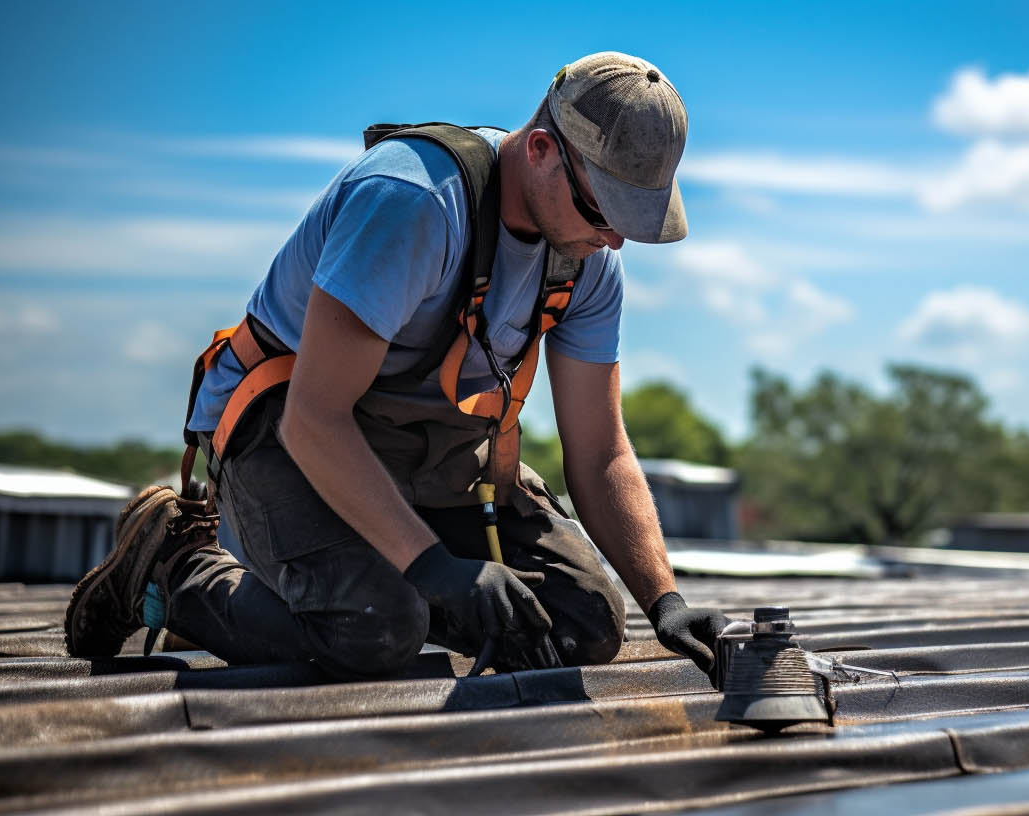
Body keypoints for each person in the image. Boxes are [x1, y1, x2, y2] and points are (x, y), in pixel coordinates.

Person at [65, 52, 731, 680]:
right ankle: (173, 573)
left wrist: (664, 601)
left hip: (426, 455)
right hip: (289, 434)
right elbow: (315, 421)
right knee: (375, 629)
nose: (613, 238)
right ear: (540, 150)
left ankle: (315, 596)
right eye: (603, 211)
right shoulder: (413, 203)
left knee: (580, 624)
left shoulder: (586, 259)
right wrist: (436, 567)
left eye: (632, 221)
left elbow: (601, 451)